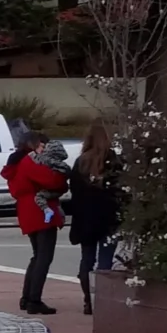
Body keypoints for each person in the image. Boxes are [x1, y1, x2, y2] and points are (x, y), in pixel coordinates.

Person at [8, 135, 70, 316]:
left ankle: (27, 297)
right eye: (43, 145)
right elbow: (53, 181)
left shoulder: (23, 163)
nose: (45, 149)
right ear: (35, 145)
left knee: (37, 256)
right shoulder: (33, 162)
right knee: (44, 256)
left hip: (28, 210)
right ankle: (33, 300)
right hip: (40, 211)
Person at [66, 123, 121, 315]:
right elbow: (121, 190)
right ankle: (102, 300)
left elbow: (74, 191)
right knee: (105, 262)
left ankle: (88, 300)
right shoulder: (114, 161)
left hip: (86, 219)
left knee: (87, 260)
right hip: (109, 218)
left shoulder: (81, 162)